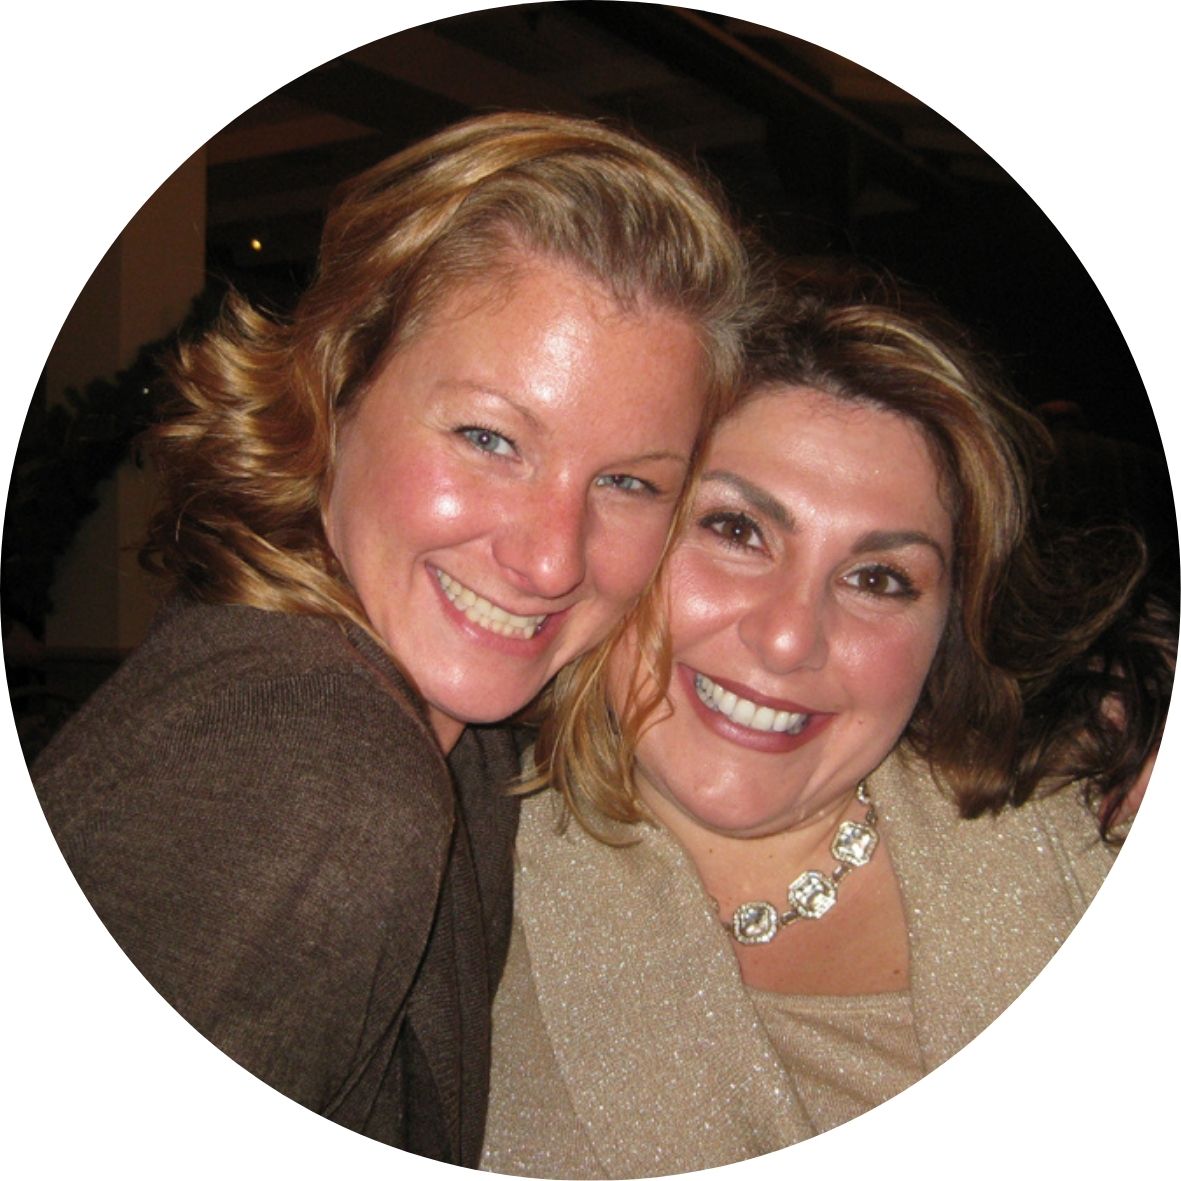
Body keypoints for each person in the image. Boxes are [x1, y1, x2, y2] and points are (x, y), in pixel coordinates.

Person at [30, 111, 755, 1164]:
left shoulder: (453, 742)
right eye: (488, 437)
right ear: (335, 390)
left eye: (628, 482)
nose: (551, 557)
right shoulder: (310, 764)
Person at [480, 262, 1175, 1178]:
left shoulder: (1096, 833)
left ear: (948, 633)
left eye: (878, 578)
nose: (786, 637)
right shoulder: (449, 877)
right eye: (736, 530)